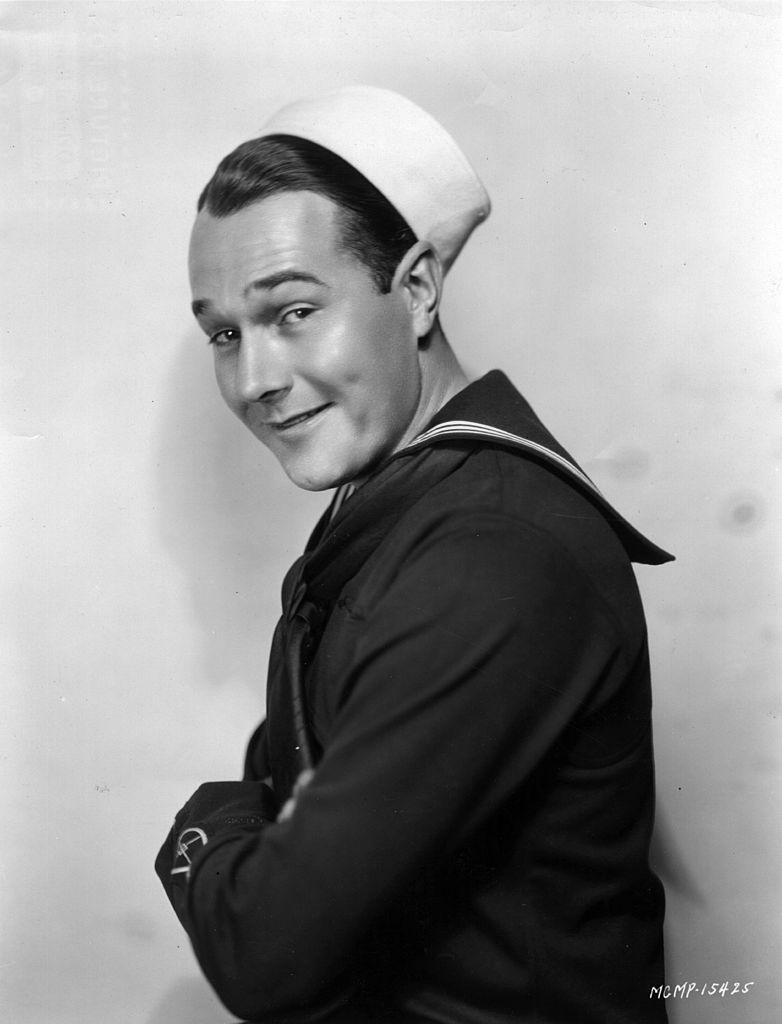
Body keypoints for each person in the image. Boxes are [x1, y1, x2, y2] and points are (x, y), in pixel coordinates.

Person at [155, 86, 672, 1024]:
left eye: (294, 311)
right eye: (225, 333)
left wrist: (202, 824)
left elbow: (265, 953)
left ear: (419, 289)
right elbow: (291, 764)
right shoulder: (407, 496)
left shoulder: (490, 553)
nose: (256, 379)